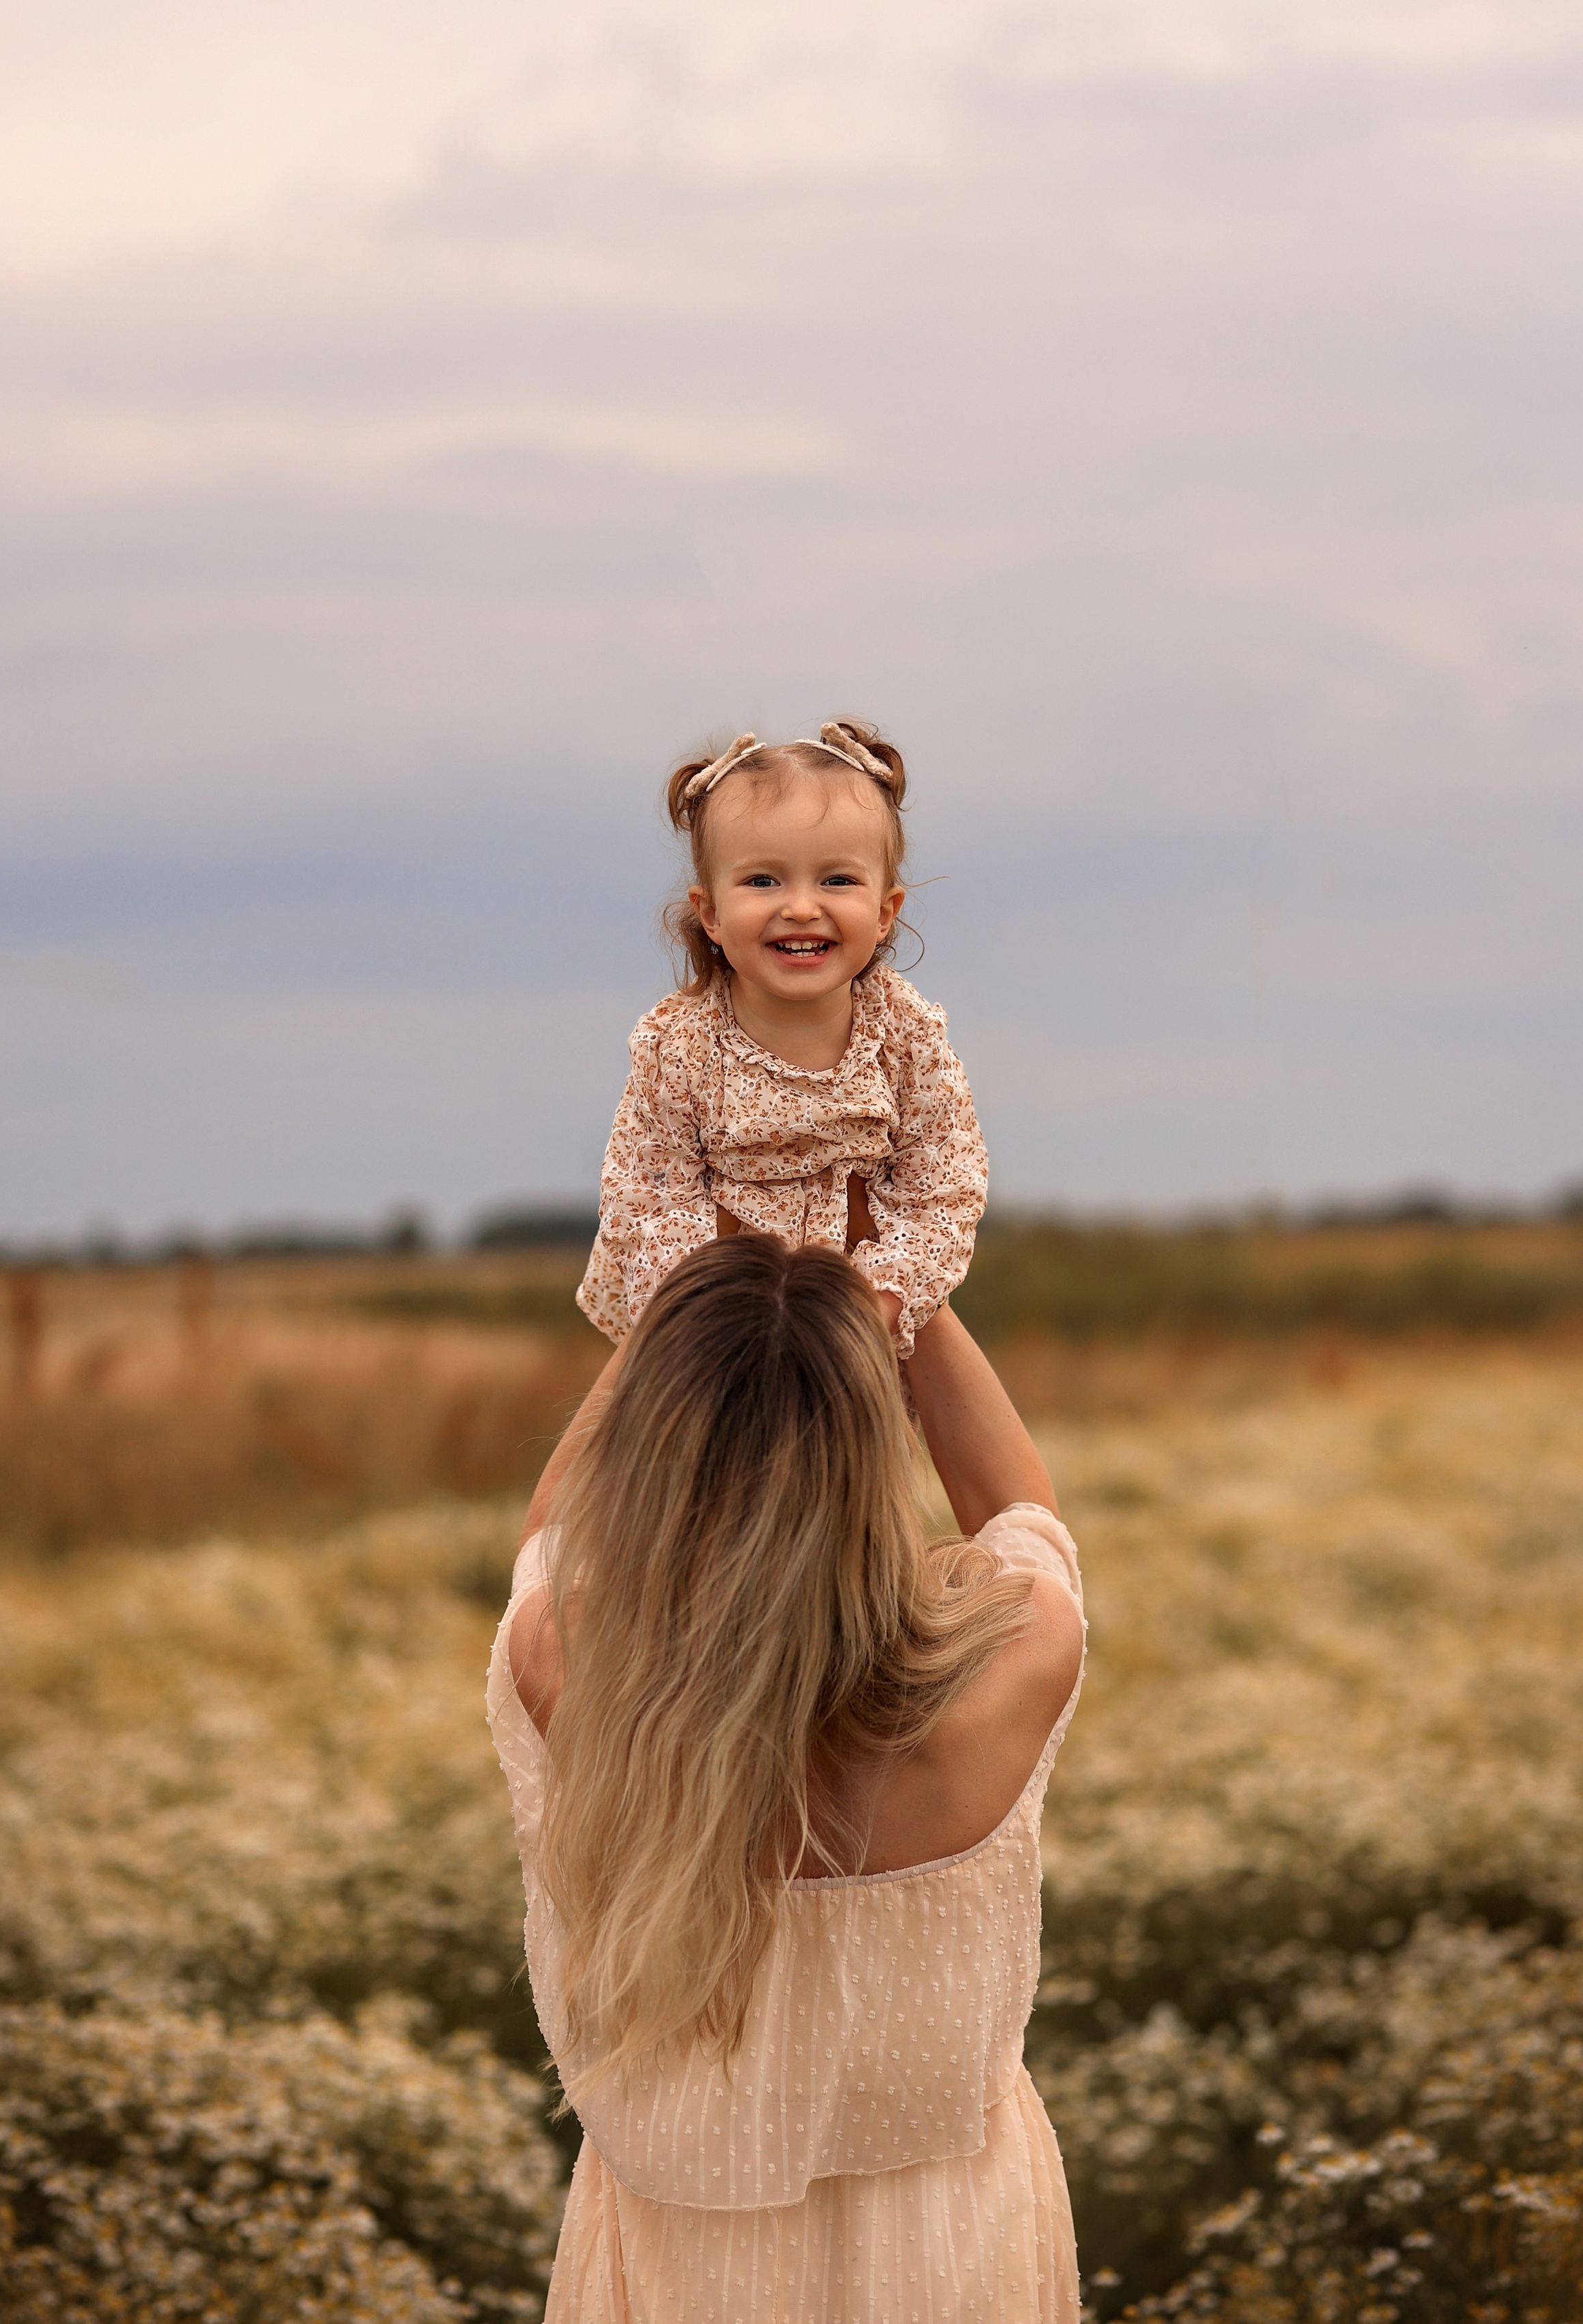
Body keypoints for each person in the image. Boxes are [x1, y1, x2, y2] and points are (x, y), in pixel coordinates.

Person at [487, 1233, 1087, 2319]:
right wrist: (910, 1276)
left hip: (683, 2277)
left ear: (650, 1449)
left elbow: (555, 1538)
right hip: (953, 2261)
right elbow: (1025, 1516)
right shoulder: (1013, 1657)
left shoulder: (567, 1676)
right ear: (874, 1453)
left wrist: (676, 1287)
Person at [576, 721, 988, 1362]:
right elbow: (648, 1198)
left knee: (960, 1415)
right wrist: (716, 1310)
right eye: (763, 881)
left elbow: (944, 1179)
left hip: (867, 1286)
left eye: (837, 880)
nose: (800, 907)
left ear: (885, 912)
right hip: (713, 1302)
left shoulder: (905, 1033)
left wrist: (880, 1300)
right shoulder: (679, 1045)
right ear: (709, 912)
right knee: (612, 1443)